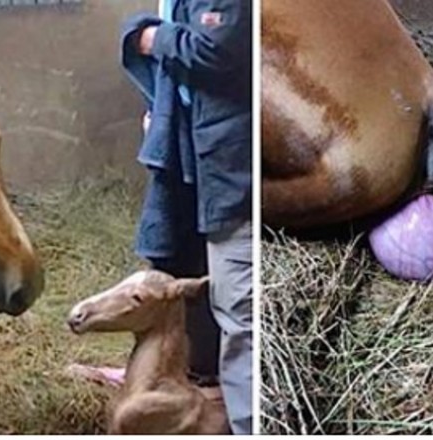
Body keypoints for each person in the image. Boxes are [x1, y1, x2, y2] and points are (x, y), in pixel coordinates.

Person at [120, 0, 252, 434]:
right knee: (192, 269)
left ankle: (247, 421)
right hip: (199, 153)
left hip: (229, 161)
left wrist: (151, 37)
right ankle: (205, 379)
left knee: (239, 310)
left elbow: (216, 46)